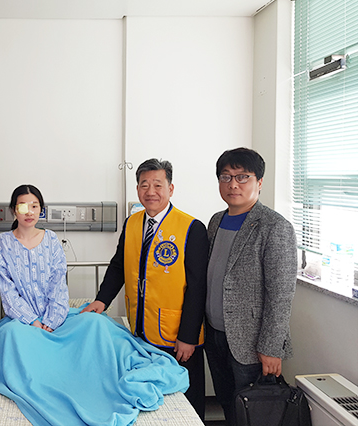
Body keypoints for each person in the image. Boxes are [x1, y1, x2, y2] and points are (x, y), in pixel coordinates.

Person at [82, 158, 209, 419]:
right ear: (138, 189)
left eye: (158, 185)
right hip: (140, 328)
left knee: (185, 401)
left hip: (176, 336)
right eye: (144, 185)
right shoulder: (132, 223)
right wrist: (101, 300)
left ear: (170, 189)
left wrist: (188, 336)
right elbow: (119, 265)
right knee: (151, 403)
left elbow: (198, 287)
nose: (151, 191)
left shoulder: (191, 228)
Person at [204, 147, 297, 426]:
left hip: (251, 342)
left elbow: (281, 294)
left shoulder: (274, 226)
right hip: (215, 333)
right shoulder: (216, 221)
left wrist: (271, 347)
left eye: (242, 177)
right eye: (226, 177)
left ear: (259, 182)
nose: (233, 184)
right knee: (227, 402)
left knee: (254, 413)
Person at [0, 185, 69, 332]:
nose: (29, 212)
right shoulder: (3, 242)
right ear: (14, 210)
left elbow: (58, 284)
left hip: (55, 320)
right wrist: (31, 320)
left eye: (34, 206)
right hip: (20, 322)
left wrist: (52, 321)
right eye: (23, 207)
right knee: (11, 335)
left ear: (41, 210)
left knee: (94, 323)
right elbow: (7, 290)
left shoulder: (51, 239)